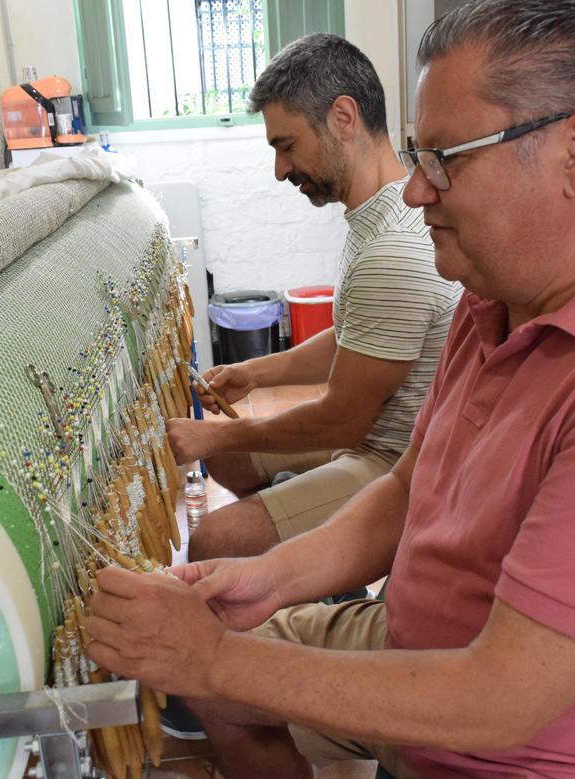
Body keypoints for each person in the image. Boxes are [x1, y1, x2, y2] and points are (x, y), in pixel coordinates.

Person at [84, 2, 575, 779]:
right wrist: (271, 581)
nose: (419, 190)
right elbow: (405, 487)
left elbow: (503, 700)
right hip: (434, 651)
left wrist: (216, 658)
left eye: (444, 158)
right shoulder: (498, 293)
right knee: (224, 680)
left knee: (218, 667)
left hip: (552, 762)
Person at [167, 33, 461, 563]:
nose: (280, 170)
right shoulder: (377, 216)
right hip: (370, 435)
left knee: (212, 541)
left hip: (396, 461)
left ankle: (315, 563)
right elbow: (357, 339)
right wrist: (253, 373)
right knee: (233, 459)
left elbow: (341, 421)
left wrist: (211, 439)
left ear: (343, 118)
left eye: (286, 145)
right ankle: (310, 555)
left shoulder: (390, 251)